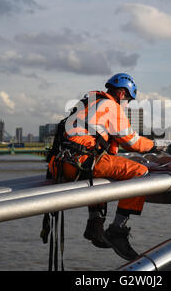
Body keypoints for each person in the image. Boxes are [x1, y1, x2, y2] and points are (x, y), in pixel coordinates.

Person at [47, 73, 160, 261]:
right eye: (129, 101)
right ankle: (117, 229)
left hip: (61, 165)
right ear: (122, 94)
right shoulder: (111, 106)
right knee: (141, 172)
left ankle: (95, 226)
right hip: (81, 162)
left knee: (103, 173)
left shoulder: (89, 102)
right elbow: (132, 142)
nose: (127, 105)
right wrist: (154, 145)